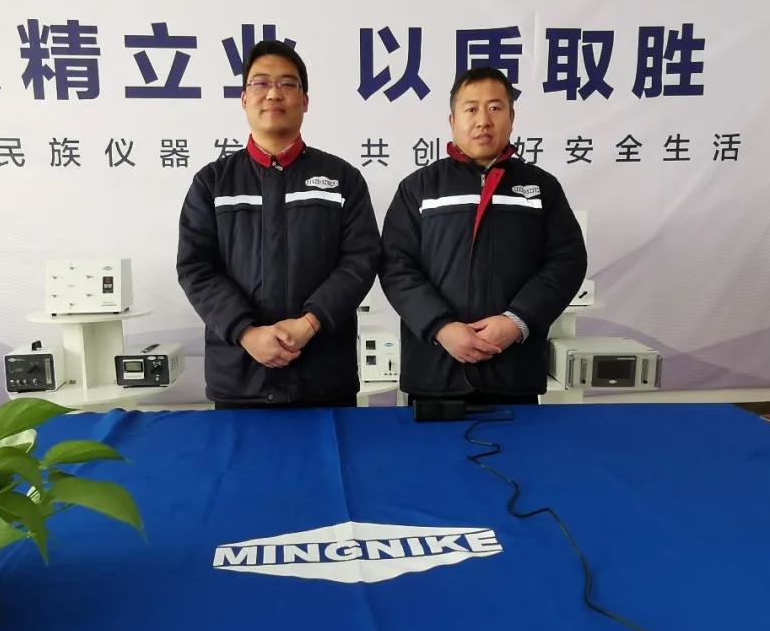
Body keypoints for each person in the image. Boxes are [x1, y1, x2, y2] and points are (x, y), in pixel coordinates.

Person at [177, 41, 381, 409]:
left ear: (305, 100)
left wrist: (310, 323)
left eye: (287, 84)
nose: (273, 94)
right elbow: (196, 267)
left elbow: (360, 260)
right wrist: (246, 332)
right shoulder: (213, 183)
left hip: (323, 375)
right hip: (240, 376)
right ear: (244, 99)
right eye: (261, 83)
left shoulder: (342, 179)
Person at [379, 66, 587, 405]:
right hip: (436, 371)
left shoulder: (541, 188)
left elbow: (567, 262)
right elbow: (395, 266)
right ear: (452, 120)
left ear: (511, 117)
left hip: (513, 370)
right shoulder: (419, 188)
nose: (483, 120)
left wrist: (516, 322)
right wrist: (441, 327)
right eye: (471, 109)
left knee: (518, 442)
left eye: (494, 108)